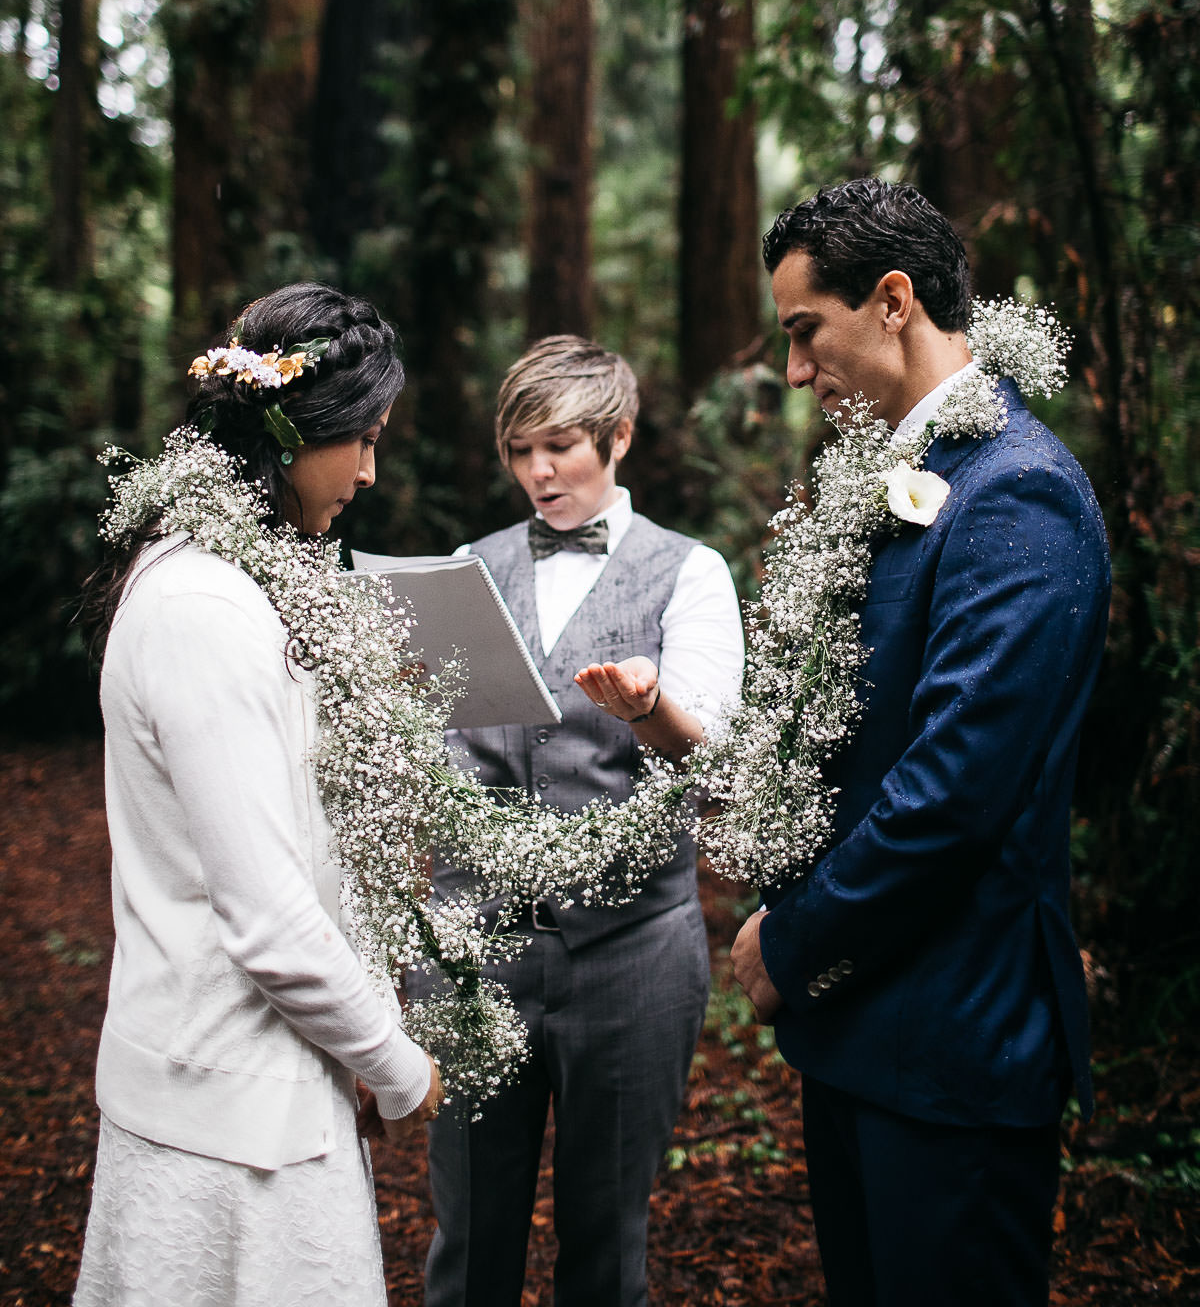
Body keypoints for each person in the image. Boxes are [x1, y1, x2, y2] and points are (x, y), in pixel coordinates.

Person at [730, 180, 1111, 1307]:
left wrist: (788, 944)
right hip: (858, 1035)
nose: (797, 371)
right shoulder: (907, 475)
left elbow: (953, 791)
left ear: (893, 301)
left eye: (807, 331)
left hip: (957, 1045)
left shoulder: (1018, 495)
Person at [74, 282, 443, 1307]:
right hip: (226, 1126)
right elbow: (270, 917)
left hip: (263, 1088)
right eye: (361, 441)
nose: (368, 474)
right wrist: (399, 1064)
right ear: (289, 432)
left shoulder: (238, 585)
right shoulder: (205, 608)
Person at [419, 335, 744, 1307]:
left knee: (606, 1245)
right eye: (521, 451)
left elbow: (715, 761)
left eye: (558, 446)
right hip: (478, 949)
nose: (537, 472)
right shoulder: (461, 571)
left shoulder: (691, 573)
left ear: (619, 438)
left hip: (630, 954)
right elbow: (437, 755)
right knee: (467, 1243)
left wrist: (650, 708)